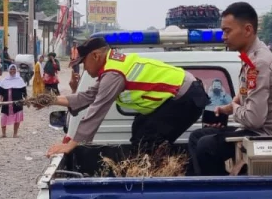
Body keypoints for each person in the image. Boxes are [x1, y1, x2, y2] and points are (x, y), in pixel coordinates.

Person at [46, 36, 209, 157]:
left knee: (148, 138)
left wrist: (73, 144)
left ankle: (153, 177)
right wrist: (49, 100)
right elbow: (87, 97)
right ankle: (146, 170)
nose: (85, 69)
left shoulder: (113, 73)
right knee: (140, 127)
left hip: (187, 97)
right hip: (184, 95)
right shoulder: (112, 67)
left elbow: (97, 110)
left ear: (95, 56)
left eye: (84, 63)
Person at [187, 2, 272, 176]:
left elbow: (254, 120)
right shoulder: (249, 57)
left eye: (227, 31)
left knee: (206, 146)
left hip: (270, 135)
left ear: (247, 30)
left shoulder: (258, 62)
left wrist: (235, 108)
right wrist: (226, 109)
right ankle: (205, 189)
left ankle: (220, 194)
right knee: (197, 137)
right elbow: (245, 94)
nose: (223, 36)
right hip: (258, 131)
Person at [0, 65, 28, 138]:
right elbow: (1, 93)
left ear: (16, 70)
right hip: (6, 103)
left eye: (14, 69)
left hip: (17, 102)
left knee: (17, 118)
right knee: (3, 118)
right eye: (11, 69)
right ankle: (3, 134)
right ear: (9, 70)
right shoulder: (4, 80)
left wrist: (27, 100)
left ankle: (15, 134)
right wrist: (0, 100)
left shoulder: (20, 80)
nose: (12, 70)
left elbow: (24, 92)